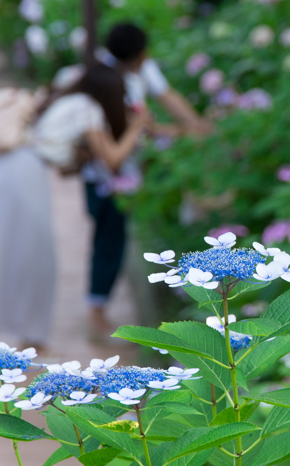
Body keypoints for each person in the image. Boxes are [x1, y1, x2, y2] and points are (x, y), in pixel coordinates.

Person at [0, 64, 150, 350]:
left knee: (22, 253)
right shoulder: (88, 108)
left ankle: (29, 335)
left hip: (5, 169)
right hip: (23, 171)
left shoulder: (67, 101)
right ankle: (32, 339)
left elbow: (64, 160)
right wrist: (137, 127)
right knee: (37, 258)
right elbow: (113, 160)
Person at [72, 23, 209, 336]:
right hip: (110, 177)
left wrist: (194, 127)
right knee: (109, 241)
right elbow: (125, 139)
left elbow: (161, 105)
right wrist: (175, 128)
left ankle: (98, 308)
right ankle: (96, 312)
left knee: (112, 240)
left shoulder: (125, 70)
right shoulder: (106, 81)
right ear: (140, 55)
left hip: (125, 174)